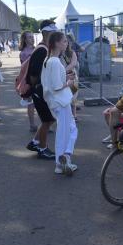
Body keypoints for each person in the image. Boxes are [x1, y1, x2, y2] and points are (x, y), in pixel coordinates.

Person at [41, 31, 78, 175]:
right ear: (56, 43)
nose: (66, 43)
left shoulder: (49, 60)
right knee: (65, 132)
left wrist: (65, 77)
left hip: (56, 101)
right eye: (64, 41)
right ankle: (61, 161)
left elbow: (52, 82)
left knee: (70, 129)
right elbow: (57, 86)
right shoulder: (55, 61)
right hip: (60, 101)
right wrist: (68, 82)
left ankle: (65, 157)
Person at [25, 20, 58, 160]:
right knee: (47, 120)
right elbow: (33, 74)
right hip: (40, 91)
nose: (55, 35)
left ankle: (35, 142)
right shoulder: (42, 50)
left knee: (49, 119)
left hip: (41, 90)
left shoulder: (44, 48)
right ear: (46, 33)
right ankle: (42, 148)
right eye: (53, 32)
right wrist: (38, 89)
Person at [19, 31, 37, 132]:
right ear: (25, 40)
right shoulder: (24, 53)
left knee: (42, 102)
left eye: (32, 36)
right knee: (30, 103)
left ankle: (45, 123)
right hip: (29, 79)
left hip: (38, 78)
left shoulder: (36, 49)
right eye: (29, 37)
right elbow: (24, 68)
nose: (32, 38)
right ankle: (32, 124)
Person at [59, 35, 79, 121]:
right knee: (63, 97)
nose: (66, 43)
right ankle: (64, 116)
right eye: (64, 41)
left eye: (67, 41)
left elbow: (73, 64)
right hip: (61, 78)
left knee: (73, 96)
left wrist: (63, 71)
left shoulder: (72, 53)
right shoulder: (57, 54)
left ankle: (74, 115)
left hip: (72, 77)